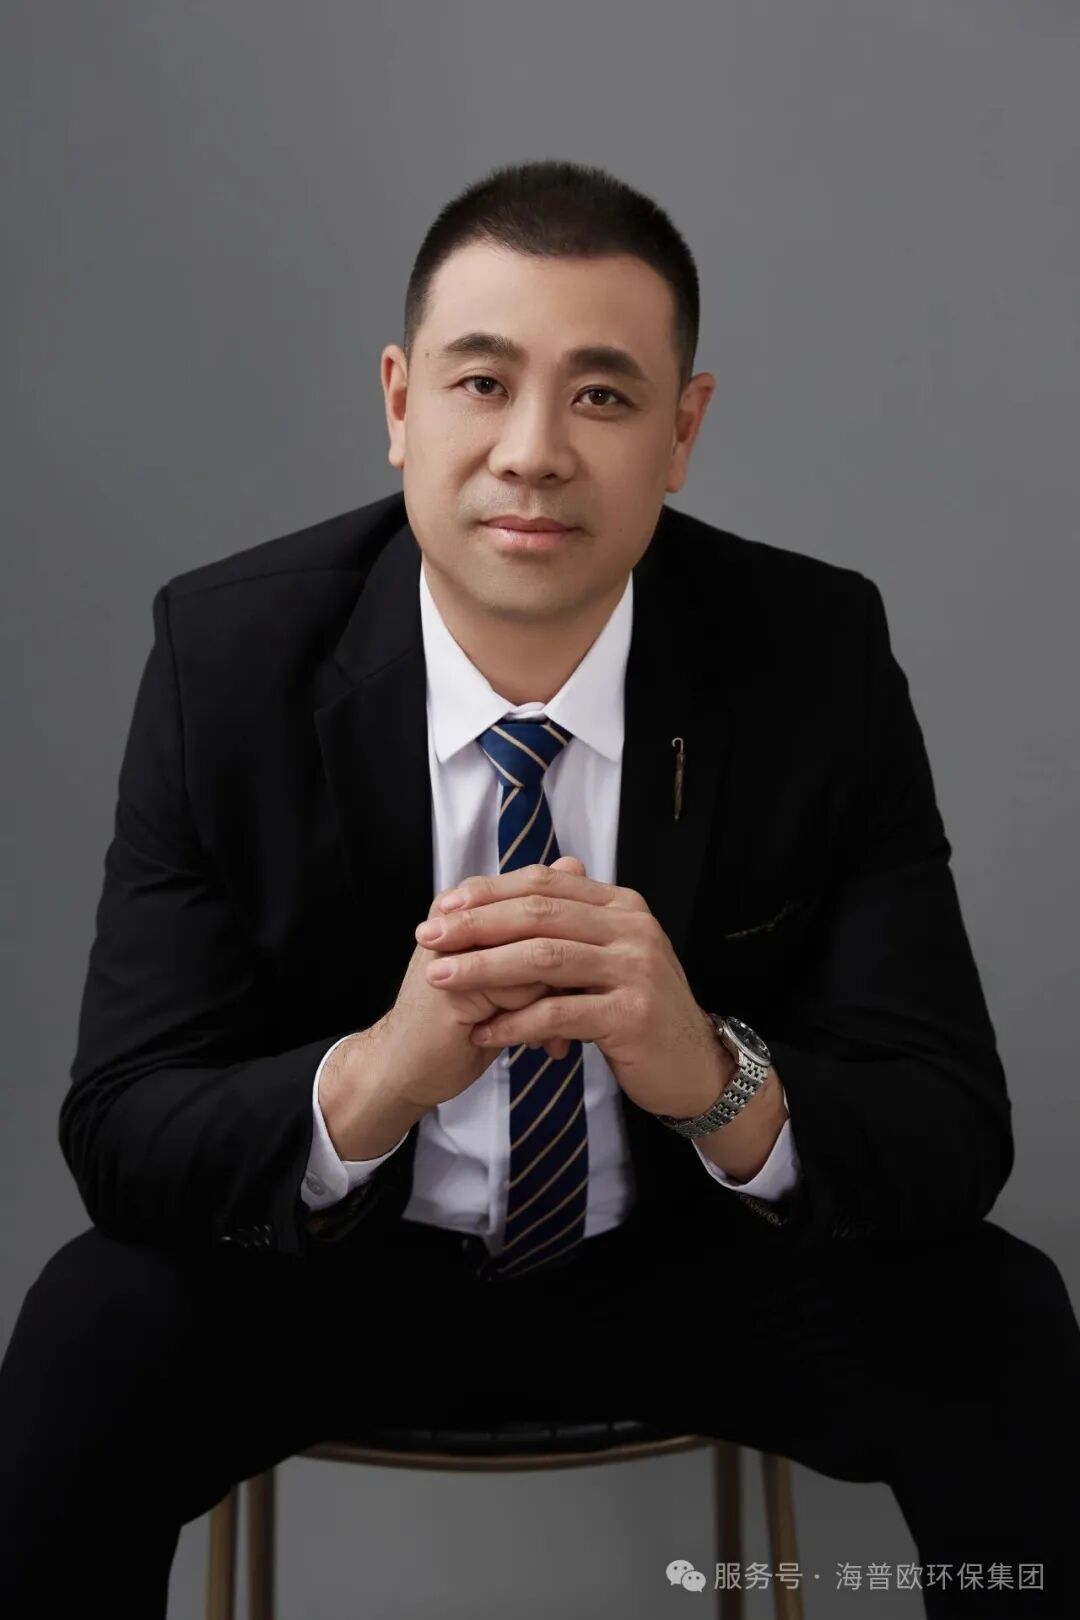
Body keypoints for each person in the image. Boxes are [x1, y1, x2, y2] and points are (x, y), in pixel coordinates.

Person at [1, 158, 1076, 1619]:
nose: (533, 453)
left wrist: (712, 1075)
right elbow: (123, 1124)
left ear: (682, 432)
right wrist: (376, 1078)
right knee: (88, 1331)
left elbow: (951, 1127)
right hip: (341, 1276)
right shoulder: (227, 661)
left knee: (1002, 1321)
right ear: (400, 404)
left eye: (603, 396)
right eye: (482, 383)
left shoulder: (814, 657)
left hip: (692, 1267)